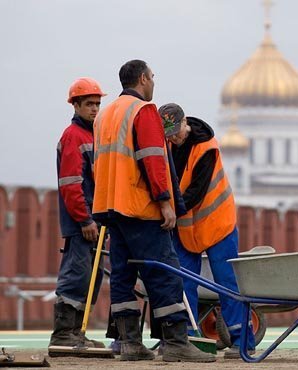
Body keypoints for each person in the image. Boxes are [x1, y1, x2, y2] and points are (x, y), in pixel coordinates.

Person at [92, 59, 214, 363]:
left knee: (122, 275)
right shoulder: (143, 111)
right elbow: (153, 159)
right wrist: (165, 201)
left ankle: (130, 343)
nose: (154, 82)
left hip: (110, 207)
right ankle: (175, 342)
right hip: (139, 207)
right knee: (163, 272)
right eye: (153, 77)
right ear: (143, 79)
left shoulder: (105, 115)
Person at [158, 103, 256, 359]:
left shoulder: (206, 149)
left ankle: (243, 341)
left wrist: (167, 210)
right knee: (183, 282)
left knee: (227, 282)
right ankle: (187, 340)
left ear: (185, 124)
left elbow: (195, 192)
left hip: (217, 223)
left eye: (175, 132)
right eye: (167, 135)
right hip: (187, 226)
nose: (173, 138)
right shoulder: (167, 146)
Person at [50, 78, 107, 350]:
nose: (95, 109)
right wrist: (84, 219)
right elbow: (71, 184)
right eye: (89, 104)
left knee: (91, 278)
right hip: (81, 223)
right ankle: (64, 335)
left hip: (95, 221)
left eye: (97, 104)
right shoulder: (74, 136)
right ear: (76, 105)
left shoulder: (94, 135)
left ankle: (77, 334)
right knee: (76, 275)